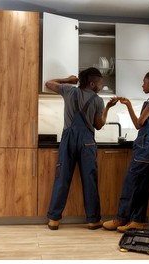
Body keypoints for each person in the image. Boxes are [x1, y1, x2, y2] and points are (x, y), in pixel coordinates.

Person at [46, 67, 118, 230]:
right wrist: (108, 108)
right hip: (87, 143)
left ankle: (54, 220)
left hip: (68, 140)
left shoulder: (69, 91)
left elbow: (49, 83)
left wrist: (67, 80)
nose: (101, 87)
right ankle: (93, 220)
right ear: (92, 84)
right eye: (100, 84)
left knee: (62, 178)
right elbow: (99, 125)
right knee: (89, 180)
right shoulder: (98, 100)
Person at [103, 65, 149, 233]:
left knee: (130, 181)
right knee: (142, 182)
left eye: (144, 82)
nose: (142, 85)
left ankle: (121, 219)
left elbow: (139, 124)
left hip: (147, 138)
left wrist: (129, 105)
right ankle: (137, 221)